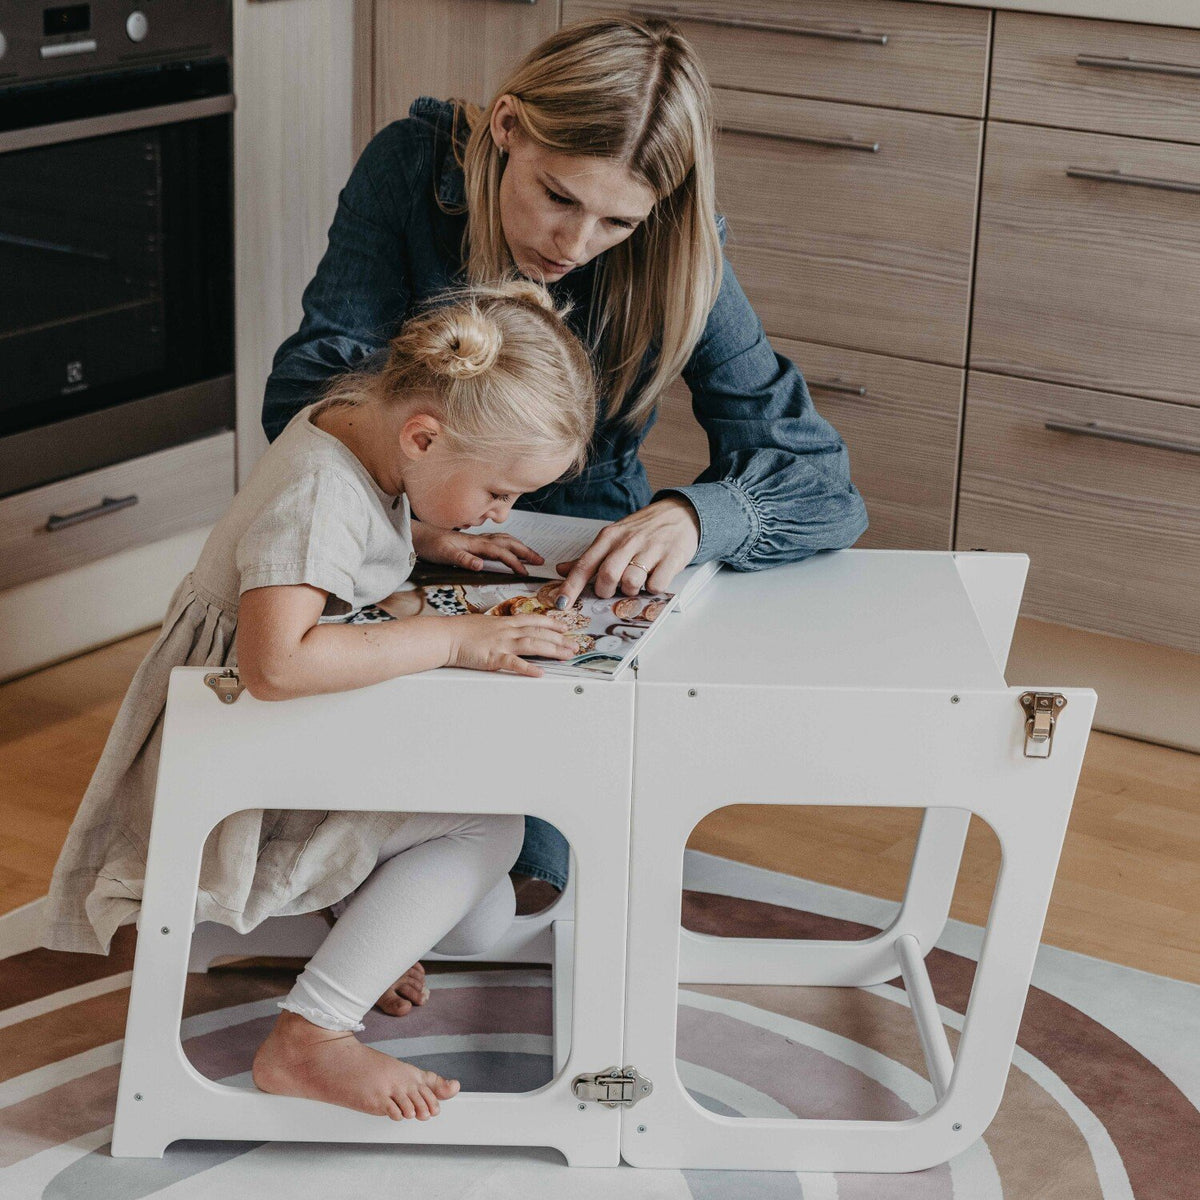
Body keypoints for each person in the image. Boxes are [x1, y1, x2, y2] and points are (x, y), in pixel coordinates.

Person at [263, 16, 869, 915]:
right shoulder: (412, 166)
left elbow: (821, 481)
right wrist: (414, 517)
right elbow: (306, 394)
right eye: (557, 196)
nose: (575, 244)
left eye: (617, 220)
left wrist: (693, 517)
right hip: (395, 522)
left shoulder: (679, 249)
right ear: (508, 125)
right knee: (362, 813)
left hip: (577, 549)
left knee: (527, 875)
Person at [41, 280, 596, 1121]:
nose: (501, 512)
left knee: (476, 923)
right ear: (423, 436)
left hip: (275, 750)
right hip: (242, 777)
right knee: (491, 829)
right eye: (499, 492)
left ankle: (354, 927)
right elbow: (275, 665)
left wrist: (427, 535)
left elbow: (349, 530)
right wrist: (452, 640)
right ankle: (311, 1036)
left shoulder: (356, 422)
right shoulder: (316, 497)